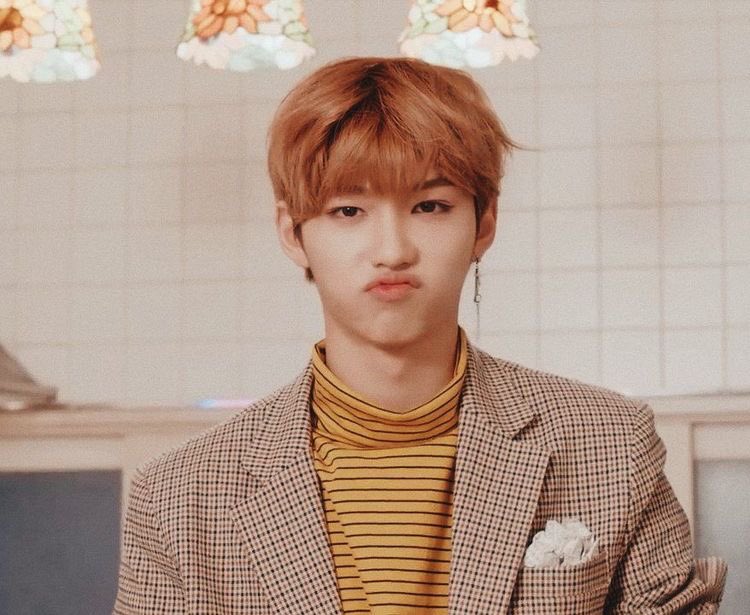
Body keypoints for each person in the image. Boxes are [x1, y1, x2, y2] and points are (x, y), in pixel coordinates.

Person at [113, 56, 727, 614]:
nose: (392, 250)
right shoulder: (179, 496)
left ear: (484, 223)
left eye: (430, 206)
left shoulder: (609, 443)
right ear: (292, 232)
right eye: (348, 211)